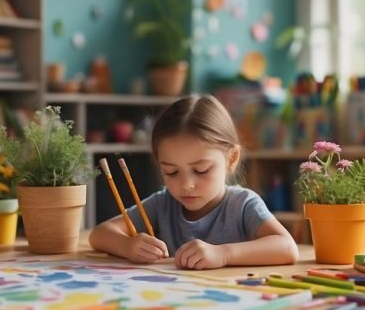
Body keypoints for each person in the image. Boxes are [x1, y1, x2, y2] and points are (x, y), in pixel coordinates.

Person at [89, 94, 299, 269]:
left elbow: (287, 247)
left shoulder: (242, 204)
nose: (186, 184)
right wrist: (128, 246)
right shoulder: (163, 203)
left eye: (201, 170)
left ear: (231, 158)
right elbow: (99, 235)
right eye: (171, 172)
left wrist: (224, 254)